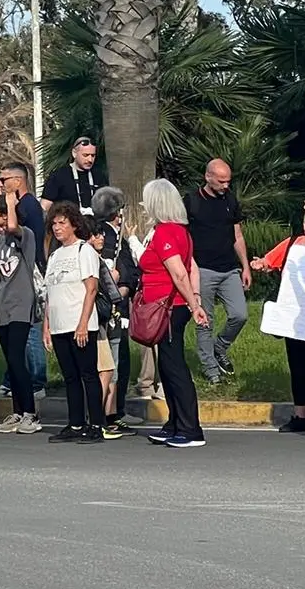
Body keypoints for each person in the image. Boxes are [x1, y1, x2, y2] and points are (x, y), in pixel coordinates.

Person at [138, 180, 210, 448]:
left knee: (174, 366)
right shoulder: (181, 232)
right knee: (167, 367)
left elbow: (180, 272)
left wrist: (194, 304)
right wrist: (196, 299)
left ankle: (190, 428)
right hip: (173, 305)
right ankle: (175, 422)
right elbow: (193, 267)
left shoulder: (166, 233)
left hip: (168, 306)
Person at [254, 209, 305, 433]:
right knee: (299, 368)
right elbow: (270, 261)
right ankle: (300, 415)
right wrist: (260, 264)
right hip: (294, 316)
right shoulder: (292, 242)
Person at [42, 203, 106, 443]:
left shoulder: (84, 250)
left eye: (62, 223)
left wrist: (82, 324)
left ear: (74, 225)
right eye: (55, 224)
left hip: (79, 324)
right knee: (70, 376)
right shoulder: (55, 255)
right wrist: (46, 326)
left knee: (88, 374)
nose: (57, 228)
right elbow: (49, 292)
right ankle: (76, 423)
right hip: (59, 324)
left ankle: (96, 425)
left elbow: (91, 289)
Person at [184, 158, 249, 383]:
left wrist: (245, 266)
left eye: (228, 181)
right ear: (208, 177)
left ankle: (219, 347)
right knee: (205, 320)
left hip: (229, 268)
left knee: (240, 314)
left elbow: (237, 235)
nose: (225, 186)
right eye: (221, 181)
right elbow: (183, 237)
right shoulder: (192, 201)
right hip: (202, 269)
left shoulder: (230, 200)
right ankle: (211, 371)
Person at [0, 195, 42, 434]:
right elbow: (3, 271)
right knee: (11, 360)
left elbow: (13, 226)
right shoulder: (0, 241)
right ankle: (18, 411)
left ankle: (30, 412)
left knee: (18, 359)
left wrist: (11, 202)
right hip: (4, 304)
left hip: (21, 303)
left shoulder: (25, 235)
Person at [0, 162, 50, 391]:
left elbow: (16, 230)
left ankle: (36, 380)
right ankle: (16, 380)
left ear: (17, 181)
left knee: (31, 330)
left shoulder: (27, 205)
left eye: (4, 179)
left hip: (30, 272)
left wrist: (9, 205)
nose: (0, 184)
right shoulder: (24, 204)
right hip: (18, 272)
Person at [89, 186, 134, 428]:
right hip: (112, 309)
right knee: (114, 363)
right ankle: (111, 413)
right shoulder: (112, 238)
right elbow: (125, 270)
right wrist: (126, 283)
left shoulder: (102, 233)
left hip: (104, 308)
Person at [42, 137, 107, 215]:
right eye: (85, 155)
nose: (90, 160)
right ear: (74, 153)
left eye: (93, 155)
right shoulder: (59, 176)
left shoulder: (99, 176)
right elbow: (45, 206)